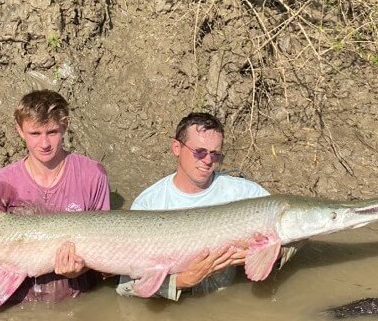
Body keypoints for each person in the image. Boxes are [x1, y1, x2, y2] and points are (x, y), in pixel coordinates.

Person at [117, 111, 299, 301]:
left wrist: (275, 253)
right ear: (176, 147)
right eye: (200, 152)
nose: (207, 160)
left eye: (215, 154)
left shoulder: (246, 193)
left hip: (229, 301)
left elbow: (296, 234)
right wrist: (181, 281)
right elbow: (127, 286)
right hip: (175, 310)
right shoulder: (149, 203)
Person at [0, 89, 110, 304]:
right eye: (35, 134)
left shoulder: (93, 174)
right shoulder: (4, 181)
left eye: (52, 132)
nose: (44, 144)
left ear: (65, 125)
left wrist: (77, 271)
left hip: (79, 295)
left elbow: (106, 245)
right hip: (23, 296)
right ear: (19, 130)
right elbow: (0, 243)